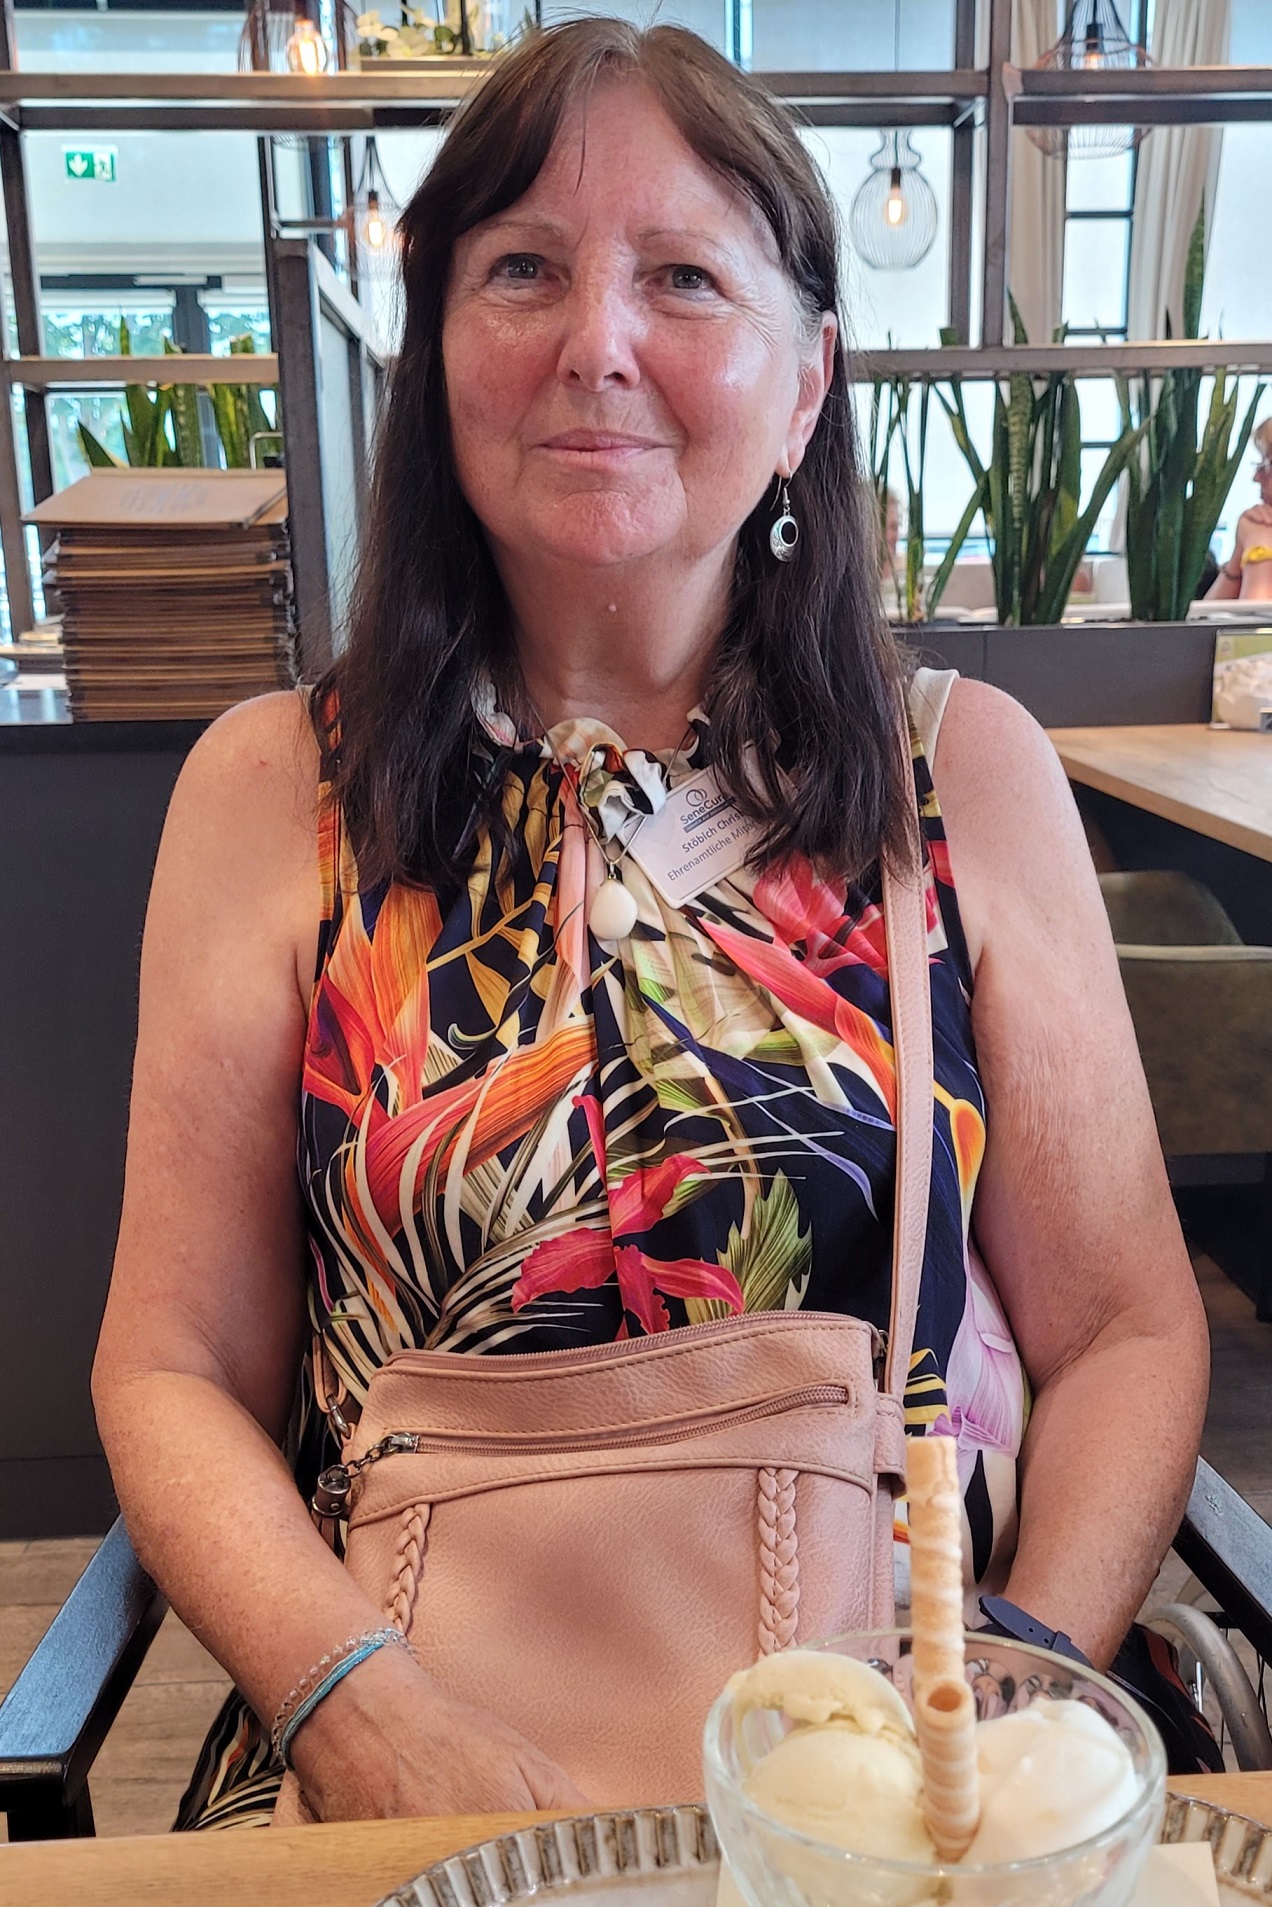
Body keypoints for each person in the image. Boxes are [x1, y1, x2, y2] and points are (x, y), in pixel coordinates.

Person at [92, 19, 1211, 1830]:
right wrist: (360, 1713)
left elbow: (1123, 1335)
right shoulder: (273, 792)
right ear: (437, 350)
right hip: (389, 1756)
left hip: (905, 1753)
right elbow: (172, 1363)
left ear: (805, 381)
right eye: (522, 269)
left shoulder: (958, 774)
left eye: (682, 276)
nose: (594, 342)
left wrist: (995, 1702)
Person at [1208, 417, 1272, 602]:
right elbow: (1203, 617)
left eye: (1266, 465)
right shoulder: (1255, 524)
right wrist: (1239, 554)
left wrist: (1261, 543)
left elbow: (1257, 617)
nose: (1256, 477)